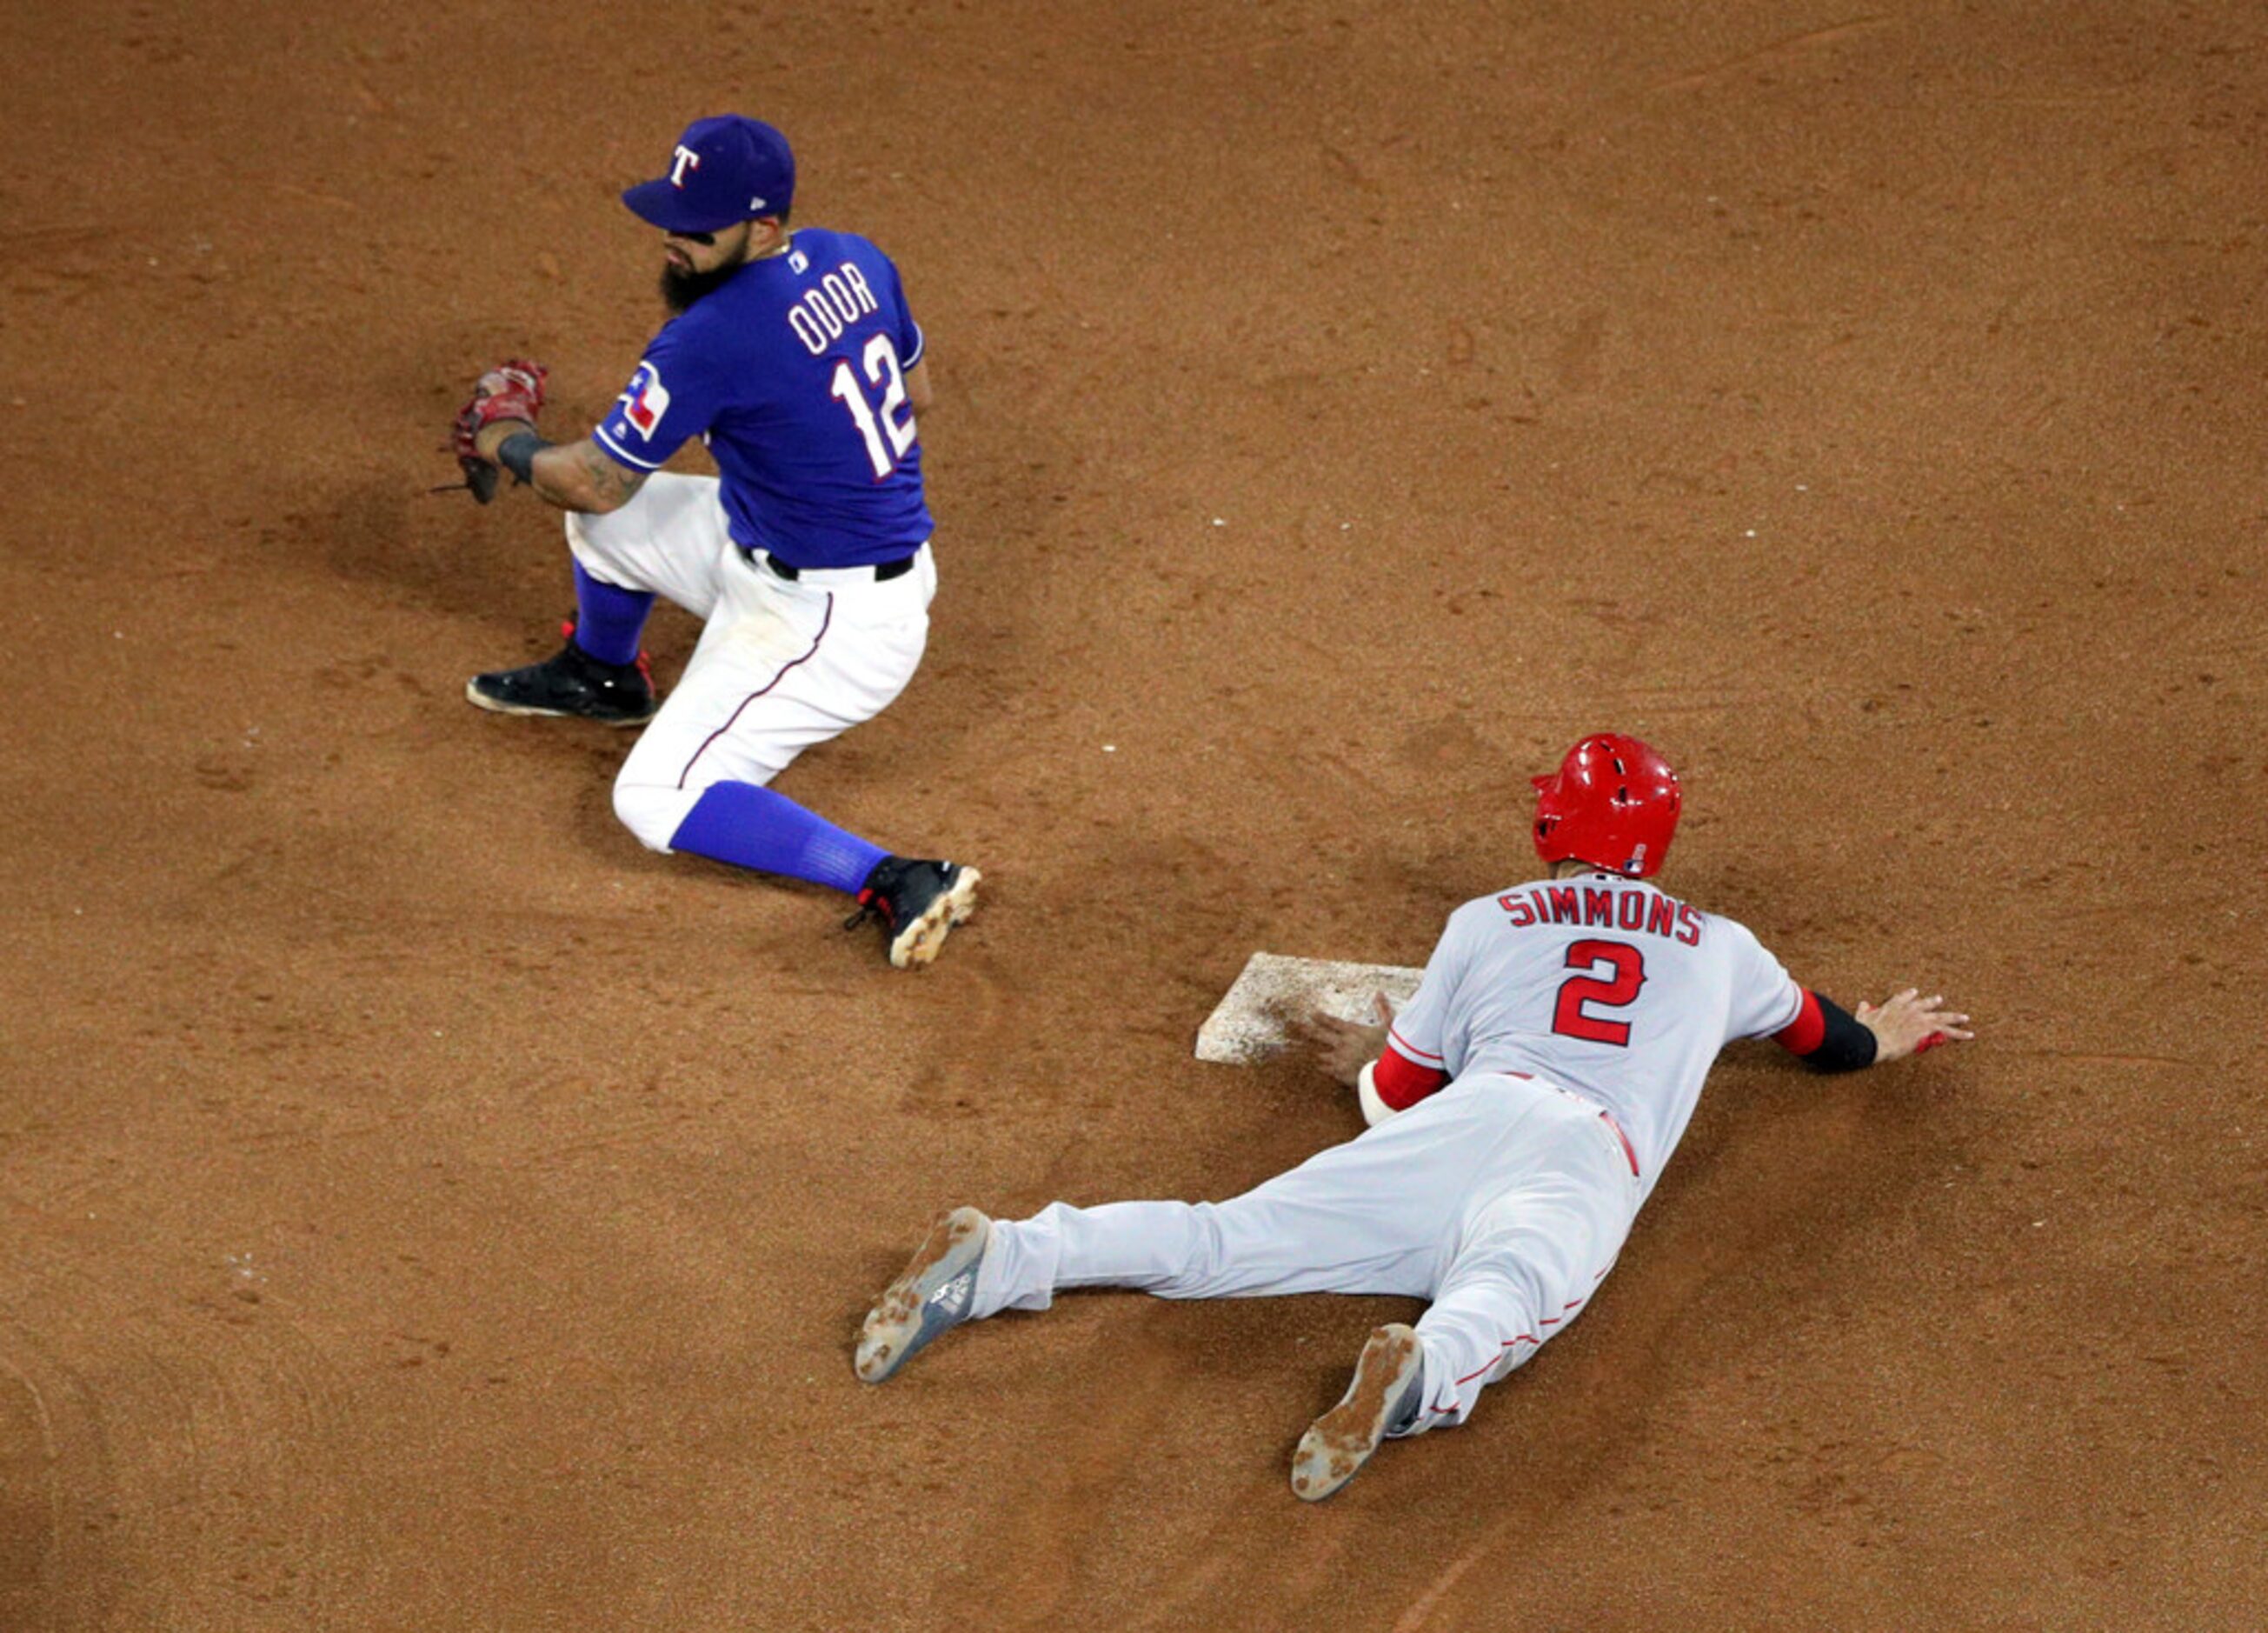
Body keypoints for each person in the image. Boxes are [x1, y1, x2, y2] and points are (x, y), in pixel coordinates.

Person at [849, 733, 1971, 1496]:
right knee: (1511, 1291)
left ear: (1552, 822)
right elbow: (1833, 1044)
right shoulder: (1725, 949)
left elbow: (1392, 1099)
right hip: (1582, 1158)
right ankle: (1419, 1373)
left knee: (1219, 1238)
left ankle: (1004, 1254)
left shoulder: (1487, 918)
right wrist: (1889, 1033)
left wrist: (1372, 1060)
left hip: (1462, 1119)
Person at [449, 115, 978, 968]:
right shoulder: (857, 257)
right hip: (794, 546)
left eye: (698, 230)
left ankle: (893, 875)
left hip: (831, 626)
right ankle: (603, 671)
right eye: (670, 217)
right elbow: (916, 394)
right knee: (611, 524)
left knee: (651, 798)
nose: (673, 241)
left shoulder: (713, 334)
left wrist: (503, 439)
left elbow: (591, 474)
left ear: (762, 226)